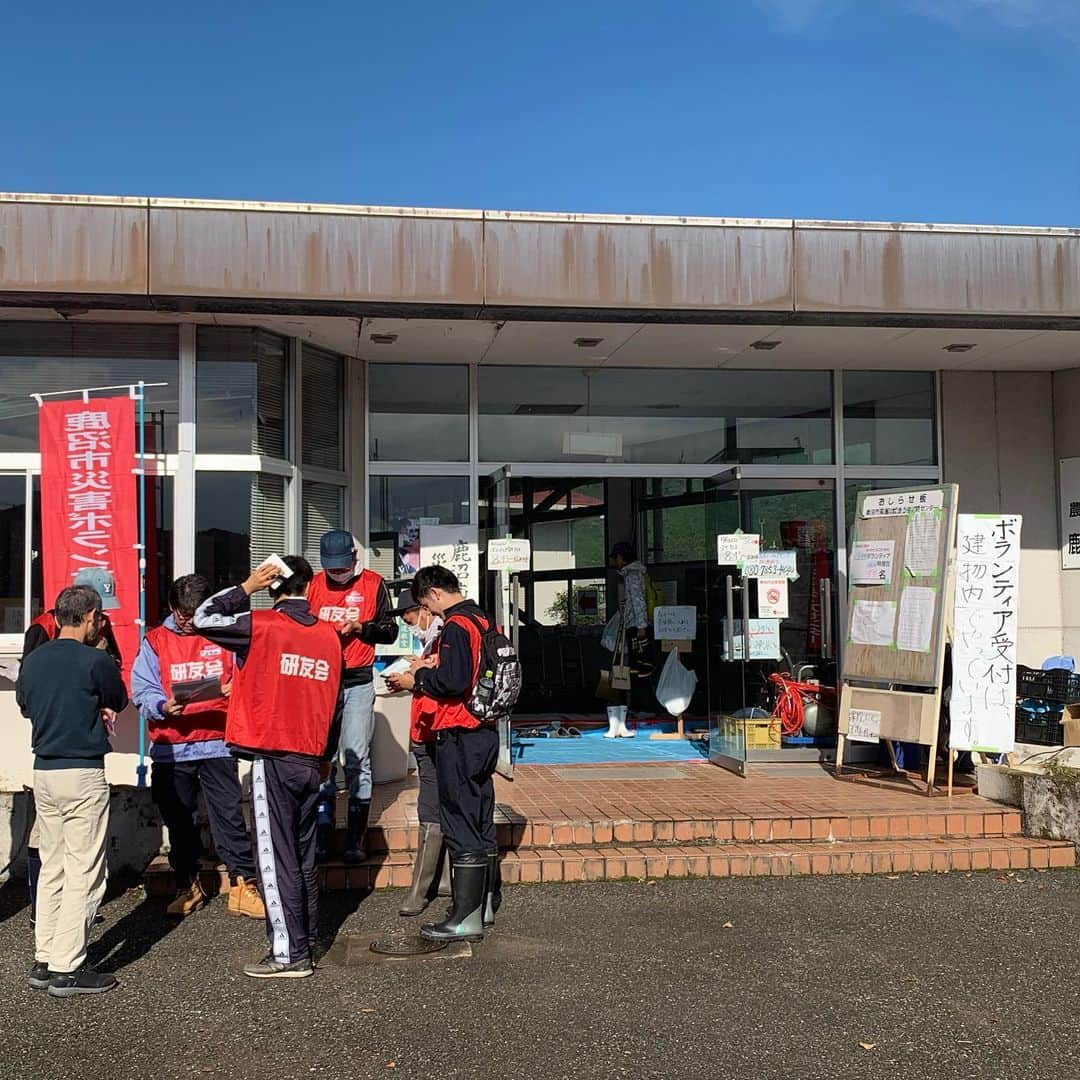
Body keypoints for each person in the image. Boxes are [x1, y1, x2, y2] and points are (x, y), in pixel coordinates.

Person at [194, 556, 342, 980]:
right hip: (312, 758)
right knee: (302, 855)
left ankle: (288, 953)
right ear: (309, 588)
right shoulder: (329, 636)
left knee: (276, 859)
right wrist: (326, 755)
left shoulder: (262, 624)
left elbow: (203, 617)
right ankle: (307, 938)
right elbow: (337, 703)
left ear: (274, 586)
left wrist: (247, 584)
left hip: (271, 752)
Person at [15, 584, 128, 998]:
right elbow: (118, 696)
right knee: (85, 869)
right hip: (82, 770)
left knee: (54, 865)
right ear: (92, 616)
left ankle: (45, 958)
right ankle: (68, 966)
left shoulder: (34, 660)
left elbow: (25, 706)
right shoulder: (94, 660)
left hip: (43, 769)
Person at [132, 574, 263, 921]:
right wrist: (163, 706)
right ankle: (187, 884)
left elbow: (249, 677)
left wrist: (237, 691)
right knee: (179, 821)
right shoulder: (156, 641)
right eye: (183, 615)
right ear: (173, 608)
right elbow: (141, 690)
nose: (189, 622)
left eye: (197, 614)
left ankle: (242, 884)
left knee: (230, 816)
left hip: (218, 742)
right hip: (171, 747)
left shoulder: (224, 635)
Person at [389, 565, 501, 943]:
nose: (430, 613)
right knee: (482, 813)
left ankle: (464, 916)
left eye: (426, 604)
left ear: (435, 593)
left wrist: (416, 678)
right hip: (486, 730)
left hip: (459, 732)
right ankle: (485, 902)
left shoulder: (455, 624)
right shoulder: (484, 619)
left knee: (459, 817)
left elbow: (452, 681)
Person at [306, 530, 398, 864]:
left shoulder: (373, 583)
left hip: (358, 680)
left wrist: (361, 628)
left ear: (354, 559)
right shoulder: (313, 586)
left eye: (343, 568)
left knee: (356, 756)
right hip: (320, 681)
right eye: (332, 569)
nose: (338, 574)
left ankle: (356, 838)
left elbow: (390, 630)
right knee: (322, 756)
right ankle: (322, 831)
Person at [386, 588, 450, 917]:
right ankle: (442, 881)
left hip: (436, 731)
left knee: (432, 804)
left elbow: (442, 682)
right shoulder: (437, 640)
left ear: (424, 608)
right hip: (427, 731)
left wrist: (415, 675)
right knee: (440, 801)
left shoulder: (446, 637)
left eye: (411, 617)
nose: (411, 625)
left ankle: (420, 889)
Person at [605, 541, 652, 738]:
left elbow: (638, 600)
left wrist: (641, 626)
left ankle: (642, 707)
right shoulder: (635, 573)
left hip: (636, 627)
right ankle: (634, 708)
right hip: (634, 625)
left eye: (615, 558)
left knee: (638, 668)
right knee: (636, 667)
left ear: (621, 558)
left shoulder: (632, 575)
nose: (614, 562)